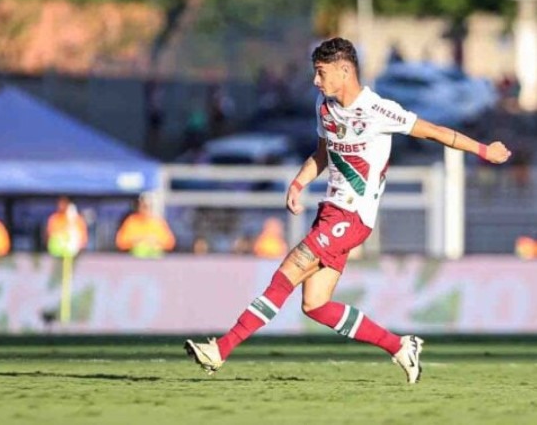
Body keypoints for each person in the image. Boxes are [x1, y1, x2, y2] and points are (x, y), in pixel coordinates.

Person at [184, 37, 511, 384]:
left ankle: (221, 349)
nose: (315, 81)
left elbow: (434, 132)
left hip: (353, 217)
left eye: (321, 73)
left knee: (287, 272)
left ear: (344, 70)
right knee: (315, 304)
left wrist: (483, 150)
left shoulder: (378, 110)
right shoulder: (323, 107)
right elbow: (323, 153)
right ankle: (400, 347)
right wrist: (297, 184)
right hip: (330, 212)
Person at [115, 194, 175, 258]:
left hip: (156, 260)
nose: (146, 209)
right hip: (134, 259)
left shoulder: (158, 222)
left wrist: (154, 241)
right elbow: (121, 242)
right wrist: (138, 240)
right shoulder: (131, 221)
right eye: (144, 206)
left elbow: (170, 243)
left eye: (148, 206)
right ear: (139, 206)